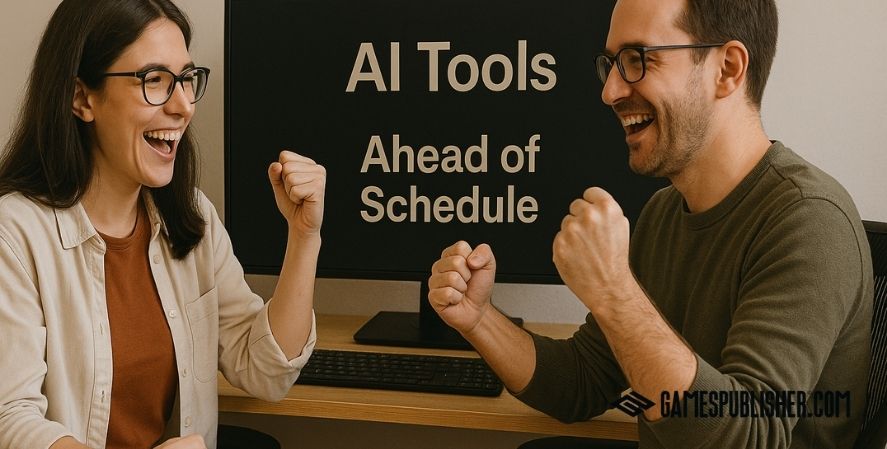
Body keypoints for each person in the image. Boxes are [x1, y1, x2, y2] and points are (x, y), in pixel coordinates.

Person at [427, 0, 873, 447]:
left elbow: (744, 433)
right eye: (612, 64)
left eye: (639, 60)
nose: (611, 91)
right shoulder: (663, 213)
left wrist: (615, 292)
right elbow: (582, 382)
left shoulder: (809, 220)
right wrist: (479, 319)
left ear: (727, 69)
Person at [0, 0, 325, 448]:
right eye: (154, 80)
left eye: (187, 80)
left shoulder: (192, 217)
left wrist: (304, 236)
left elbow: (266, 370)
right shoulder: (13, 234)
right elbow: (10, 419)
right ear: (81, 98)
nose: (183, 105)